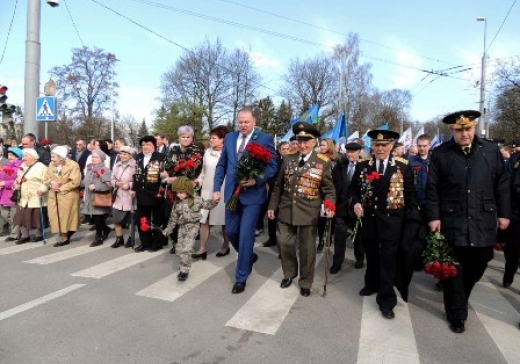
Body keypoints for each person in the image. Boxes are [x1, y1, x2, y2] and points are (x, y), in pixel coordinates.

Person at [426, 110, 510, 334]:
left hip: (483, 218)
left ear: (474, 127)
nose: (465, 133)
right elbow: (432, 189)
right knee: (454, 268)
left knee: (480, 262)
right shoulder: (441, 153)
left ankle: (459, 296)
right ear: (452, 130)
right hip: (453, 219)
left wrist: (504, 213)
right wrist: (433, 217)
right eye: (459, 129)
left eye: (468, 128)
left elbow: (502, 183)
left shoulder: (490, 150)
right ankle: (457, 313)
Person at [351, 129, 418, 319]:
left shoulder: (403, 167)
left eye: (384, 145)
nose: (380, 148)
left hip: (392, 221)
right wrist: (356, 203)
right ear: (371, 146)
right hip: (369, 220)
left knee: (388, 261)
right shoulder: (363, 165)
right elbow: (353, 189)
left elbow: (410, 194)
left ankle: (387, 300)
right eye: (376, 145)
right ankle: (371, 284)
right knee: (371, 256)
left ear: (391, 146)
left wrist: (412, 221)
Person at [213, 108, 277, 294]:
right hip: (232, 192)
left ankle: (241, 277)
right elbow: (222, 164)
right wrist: (217, 188)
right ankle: (249, 256)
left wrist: (257, 180)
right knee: (231, 230)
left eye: (246, 122)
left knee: (245, 235)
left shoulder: (264, 139)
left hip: (253, 195)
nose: (243, 125)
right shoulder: (231, 138)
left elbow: (272, 166)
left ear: (254, 122)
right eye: (240, 121)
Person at [268, 122, 335, 297]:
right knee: (284, 243)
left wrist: (330, 205)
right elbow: (278, 185)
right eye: (300, 140)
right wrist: (272, 206)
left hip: (308, 212)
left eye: (307, 141)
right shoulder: (288, 158)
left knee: (307, 250)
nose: (302, 145)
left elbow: (328, 189)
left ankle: (306, 281)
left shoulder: (323, 162)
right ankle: (290, 273)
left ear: (314, 142)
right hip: (286, 209)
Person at [162, 177, 217, 281]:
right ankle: (184, 262)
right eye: (177, 193)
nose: (179, 195)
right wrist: (168, 230)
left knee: (186, 249)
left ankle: (184, 270)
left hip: (193, 228)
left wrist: (214, 201)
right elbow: (173, 218)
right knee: (179, 249)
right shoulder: (177, 204)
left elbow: (207, 205)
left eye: (182, 192)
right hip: (182, 228)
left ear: (188, 190)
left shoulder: (196, 200)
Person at [161, 126, 204, 254]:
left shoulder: (197, 151)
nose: (185, 139)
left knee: (187, 218)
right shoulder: (173, 149)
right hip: (172, 191)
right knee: (172, 216)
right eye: (183, 136)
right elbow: (167, 165)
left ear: (192, 138)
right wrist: (165, 173)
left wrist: (172, 178)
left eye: (188, 137)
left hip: (188, 190)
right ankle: (175, 242)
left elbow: (193, 171)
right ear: (179, 137)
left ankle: (186, 245)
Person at [193, 125, 230, 258]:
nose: (210, 140)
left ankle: (226, 246)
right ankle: (202, 248)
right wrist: (198, 181)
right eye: (210, 138)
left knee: (225, 221)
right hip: (207, 192)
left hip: (223, 192)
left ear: (222, 139)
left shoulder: (229, 153)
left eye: (213, 138)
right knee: (204, 220)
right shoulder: (207, 152)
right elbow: (203, 172)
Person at [330, 142, 364, 273]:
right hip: (341, 207)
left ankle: (359, 258)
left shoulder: (365, 167)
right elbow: (333, 187)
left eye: (353, 152)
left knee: (358, 236)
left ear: (359, 152)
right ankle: (337, 262)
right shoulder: (339, 167)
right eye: (348, 151)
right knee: (339, 237)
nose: (350, 154)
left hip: (358, 208)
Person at [130, 136, 167, 252]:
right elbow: (136, 175)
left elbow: (164, 177)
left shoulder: (161, 157)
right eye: (144, 145)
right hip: (141, 193)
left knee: (157, 220)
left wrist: (162, 189)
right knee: (142, 219)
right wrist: (133, 189)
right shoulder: (138, 157)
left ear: (154, 146)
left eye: (148, 144)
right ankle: (145, 242)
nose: (145, 147)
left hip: (155, 194)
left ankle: (157, 242)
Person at [42, 146, 81, 247]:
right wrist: (51, 183)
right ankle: (64, 235)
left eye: (54, 157)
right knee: (55, 217)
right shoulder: (51, 165)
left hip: (67, 195)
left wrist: (61, 187)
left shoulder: (73, 165)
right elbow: (46, 178)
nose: (52, 159)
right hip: (53, 195)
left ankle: (64, 238)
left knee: (65, 217)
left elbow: (75, 182)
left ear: (61, 157)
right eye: (52, 156)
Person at [12, 148, 48, 244]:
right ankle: (25, 235)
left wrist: (42, 189)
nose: (23, 158)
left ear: (33, 157)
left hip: (35, 195)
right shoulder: (22, 166)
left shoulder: (41, 167)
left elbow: (47, 181)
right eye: (23, 156)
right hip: (23, 197)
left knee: (35, 217)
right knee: (20, 217)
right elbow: (18, 179)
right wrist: (15, 184)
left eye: (26, 156)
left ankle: (38, 234)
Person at [81, 149, 113, 247]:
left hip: (99, 197)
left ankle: (98, 238)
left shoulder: (105, 170)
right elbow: (85, 182)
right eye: (93, 157)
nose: (93, 159)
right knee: (95, 219)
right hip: (90, 197)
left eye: (96, 157)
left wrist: (96, 187)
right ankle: (106, 229)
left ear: (101, 159)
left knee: (98, 219)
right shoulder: (90, 169)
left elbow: (109, 185)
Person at [263, 141, 291, 248]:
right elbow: (269, 176)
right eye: (283, 149)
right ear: (279, 151)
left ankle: (284, 246)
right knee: (272, 218)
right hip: (274, 194)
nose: (286, 151)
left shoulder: (294, 161)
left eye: (288, 149)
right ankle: (272, 239)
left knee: (285, 222)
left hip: (287, 196)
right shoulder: (275, 162)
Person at [110, 146, 136, 248]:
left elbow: (137, 180)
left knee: (131, 221)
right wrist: (116, 183)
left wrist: (129, 185)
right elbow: (112, 178)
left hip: (130, 196)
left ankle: (130, 238)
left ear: (130, 155)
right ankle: (119, 238)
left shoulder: (135, 165)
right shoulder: (117, 165)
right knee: (116, 219)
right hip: (118, 195)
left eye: (125, 154)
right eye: (121, 153)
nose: (122, 156)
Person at [317, 138, 338, 252]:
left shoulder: (336, 160)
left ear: (329, 146)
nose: (322, 147)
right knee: (321, 219)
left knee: (330, 219)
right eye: (321, 145)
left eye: (324, 145)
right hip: (320, 193)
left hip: (332, 193)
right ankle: (321, 240)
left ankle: (328, 239)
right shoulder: (318, 159)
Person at [0, 147, 23, 240]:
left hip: (13, 193)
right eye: (9, 155)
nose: (10, 157)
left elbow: (18, 180)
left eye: (12, 155)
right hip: (4, 193)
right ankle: (18, 227)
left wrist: (5, 183)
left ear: (18, 157)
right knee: (4, 214)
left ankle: (15, 234)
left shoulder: (20, 167)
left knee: (14, 214)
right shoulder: (6, 166)